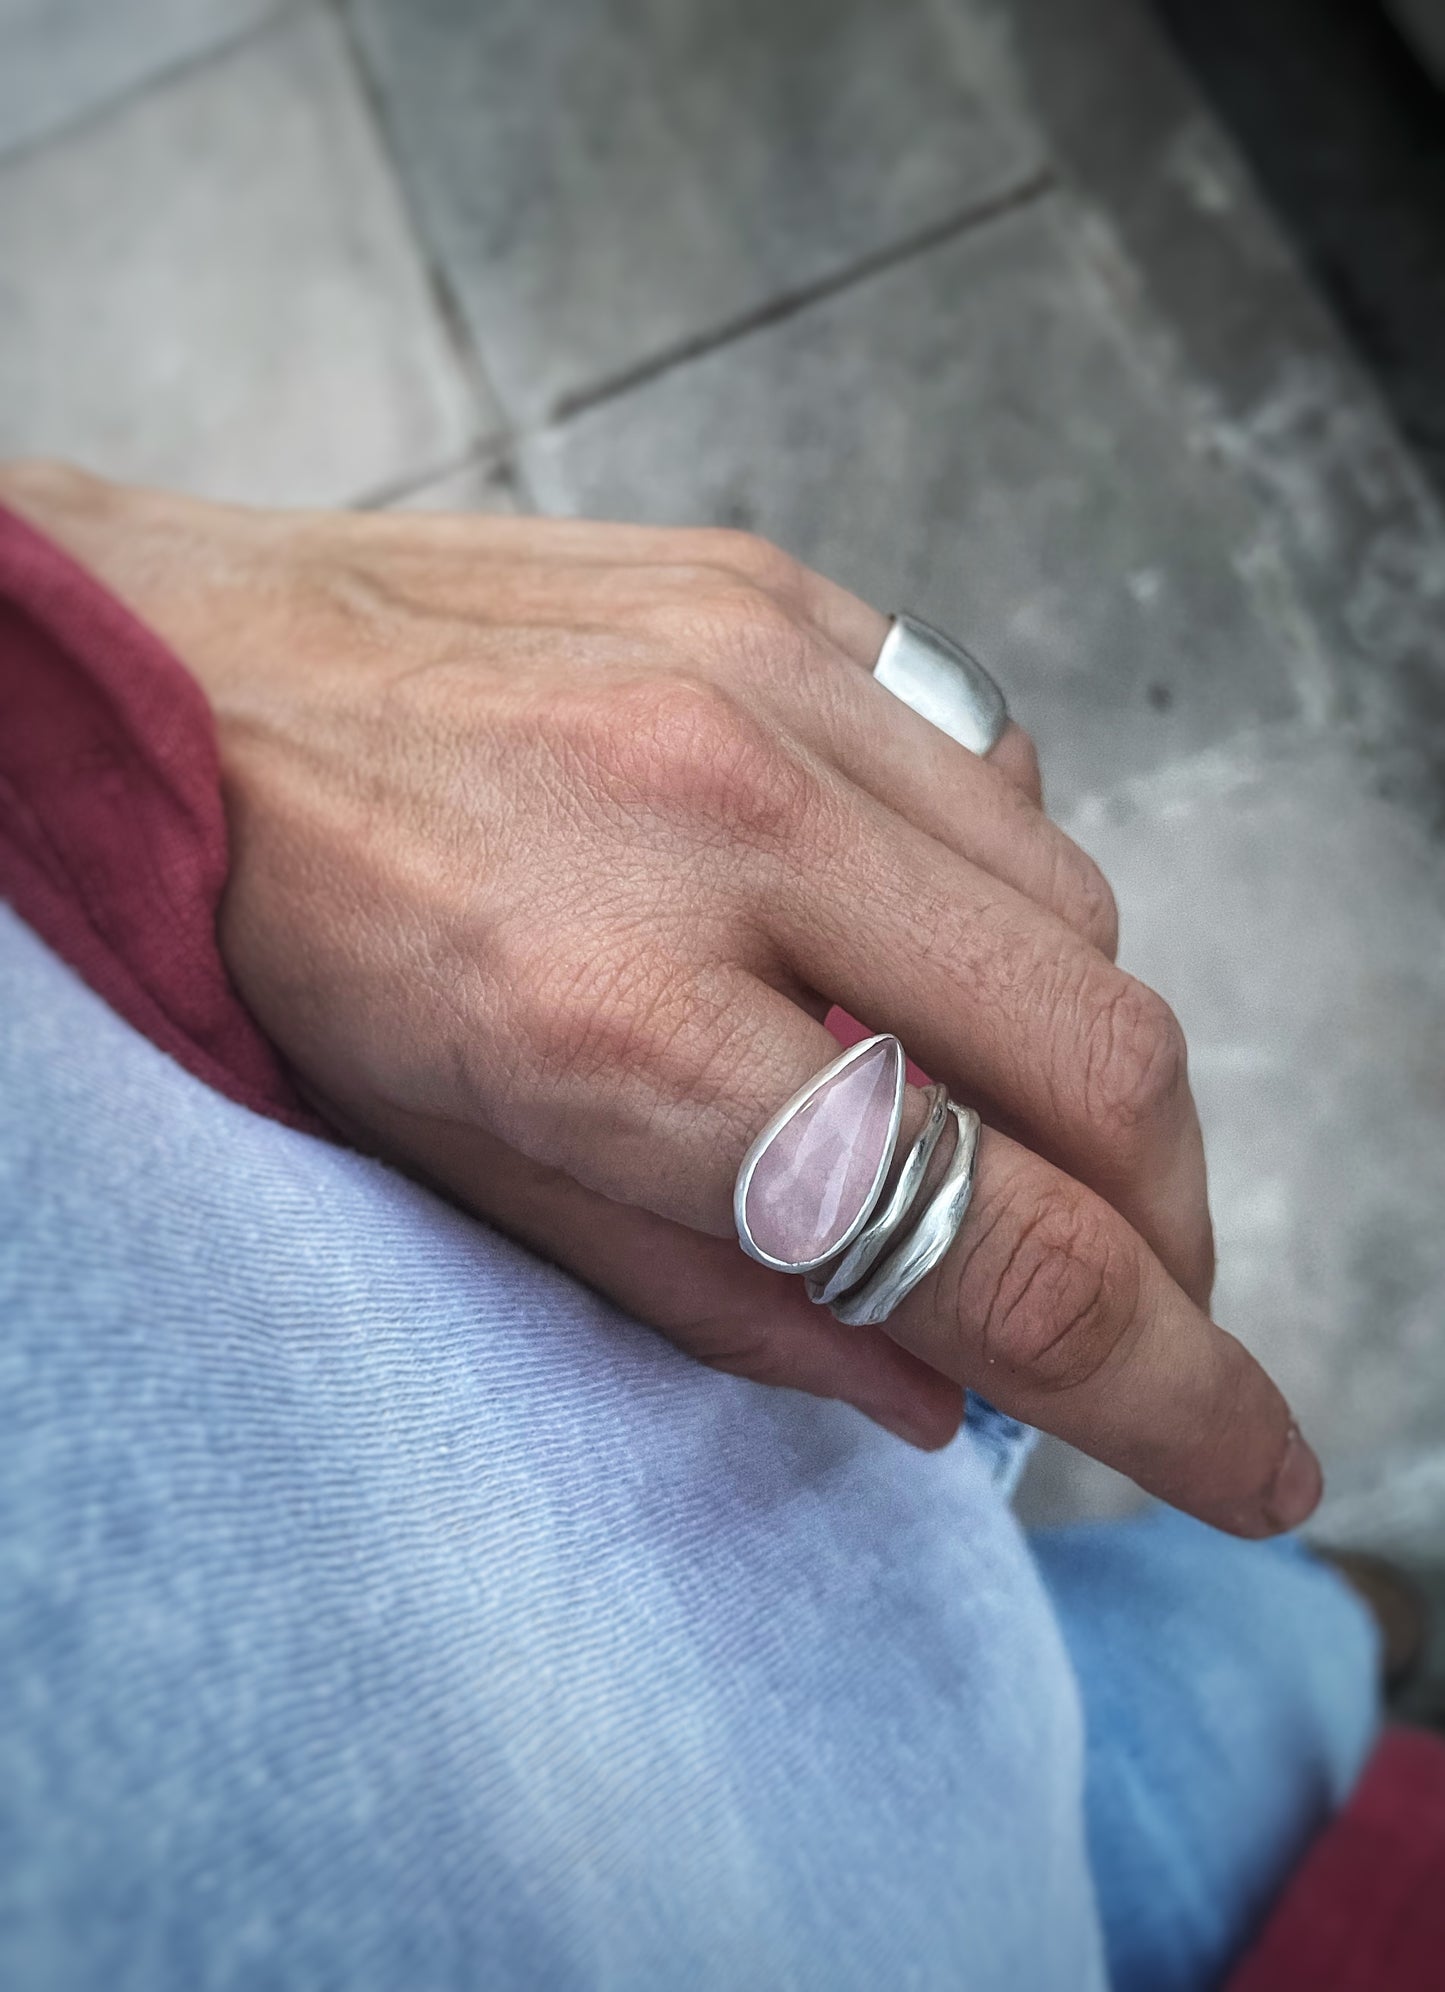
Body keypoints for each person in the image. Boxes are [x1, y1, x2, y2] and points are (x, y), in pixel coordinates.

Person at [0, 462, 1393, 1988]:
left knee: (1265, 1661)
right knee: (1279, 1674)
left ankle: (1336, 1643)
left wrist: (111, 654)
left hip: (884, 1628)